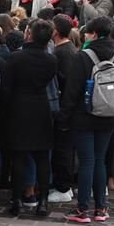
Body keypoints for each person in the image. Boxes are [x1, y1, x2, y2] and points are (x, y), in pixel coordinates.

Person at [58, 17, 114, 223]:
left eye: (87, 32)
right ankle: (101, 208)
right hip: (109, 115)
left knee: (86, 161)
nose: (85, 35)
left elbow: (72, 90)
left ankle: (83, 209)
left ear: (94, 34)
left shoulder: (83, 56)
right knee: (100, 161)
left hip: (84, 115)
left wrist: (64, 117)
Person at [2, 19, 57, 217]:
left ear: (29, 34)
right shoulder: (51, 60)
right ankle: (42, 201)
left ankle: (16, 199)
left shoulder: (16, 58)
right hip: (41, 107)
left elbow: (6, 88)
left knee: (18, 157)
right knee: (42, 157)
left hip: (19, 107)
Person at [47, 14, 78, 203]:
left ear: (56, 31)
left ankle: (63, 187)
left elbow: (64, 83)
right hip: (67, 108)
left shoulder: (62, 53)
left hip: (64, 109)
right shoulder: (67, 50)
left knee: (62, 149)